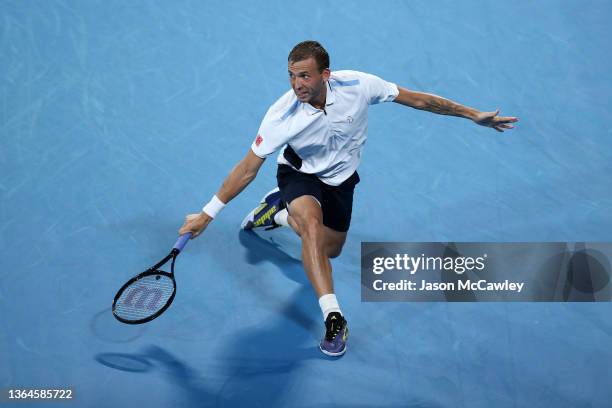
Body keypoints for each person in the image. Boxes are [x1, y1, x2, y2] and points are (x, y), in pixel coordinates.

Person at [179, 40, 519, 357]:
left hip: (341, 180)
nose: (297, 84)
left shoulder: (358, 85)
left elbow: (418, 99)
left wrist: (473, 114)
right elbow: (247, 169)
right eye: (292, 76)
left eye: (305, 76)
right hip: (300, 174)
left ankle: (276, 214)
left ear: (325, 75)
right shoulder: (281, 116)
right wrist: (208, 214)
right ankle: (334, 317)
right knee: (311, 228)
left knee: (330, 249)